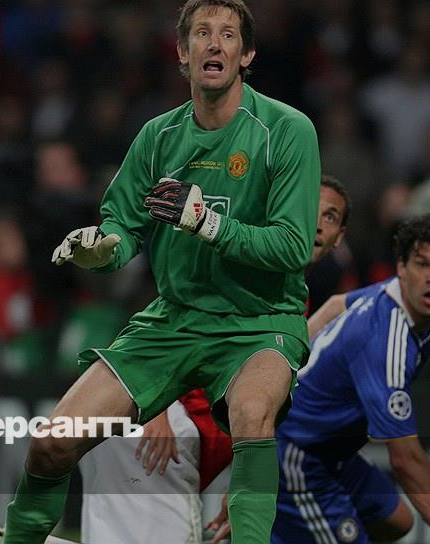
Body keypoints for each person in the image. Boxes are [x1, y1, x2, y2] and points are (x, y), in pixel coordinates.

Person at [3, 1, 321, 542]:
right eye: (202, 33)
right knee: (52, 442)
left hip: (260, 320)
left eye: (228, 35)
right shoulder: (157, 136)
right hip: (175, 318)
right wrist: (100, 249)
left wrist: (208, 223)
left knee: (251, 414)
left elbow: (292, 247)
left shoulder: (288, 130)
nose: (214, 43)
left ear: (247, 55)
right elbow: (122, 227)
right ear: (182, 52)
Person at [79, 175, 351, 544]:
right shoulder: (244, 267)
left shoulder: (290, 298)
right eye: (309, 208)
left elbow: (261, 402)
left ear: (339, 237)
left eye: (330, 216)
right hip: (164, 436)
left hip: (166, 439)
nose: (317, 223)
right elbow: (161, 320)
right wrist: (154, 410)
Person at [271, 213, 430, 544]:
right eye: (423, 264)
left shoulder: (401, 297)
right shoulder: (387, 342)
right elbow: (406, 460)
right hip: (297, 454)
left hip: (333, 453)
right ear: (402, 267)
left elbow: (337, 304)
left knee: (397, 521)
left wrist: (292, 354)